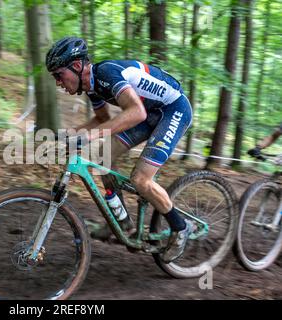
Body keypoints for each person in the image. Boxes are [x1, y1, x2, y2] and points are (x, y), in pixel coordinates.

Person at [46, 37, 193, 263]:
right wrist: (67, 135)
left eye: (58, 75)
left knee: (140, 179)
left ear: (76, 67)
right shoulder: (92, 86)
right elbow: (102, 118)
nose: (58, 82)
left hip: (173, 110)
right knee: (103, 158)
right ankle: (123, 224)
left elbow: (136, 113)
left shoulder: (106, 74)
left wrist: (90, 135)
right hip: (148, 111)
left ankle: (181, 227)